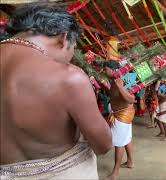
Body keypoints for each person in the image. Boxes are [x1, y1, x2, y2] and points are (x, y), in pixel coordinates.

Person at [0, 5, 112, 179]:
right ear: (63, 38)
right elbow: (103, 145)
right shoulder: (68, 76)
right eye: (72, 50)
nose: (70, 59)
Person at [104, 61, 136, 180]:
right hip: (121, 113)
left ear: (113, 70)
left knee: (119, 143)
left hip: (122, 115)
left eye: (106, 69)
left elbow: (131, 99)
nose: (104, 71)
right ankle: (130, 162)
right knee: (126, 138)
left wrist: (120, 87)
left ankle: (115, 173)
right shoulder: (114, 80)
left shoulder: (125, 79)